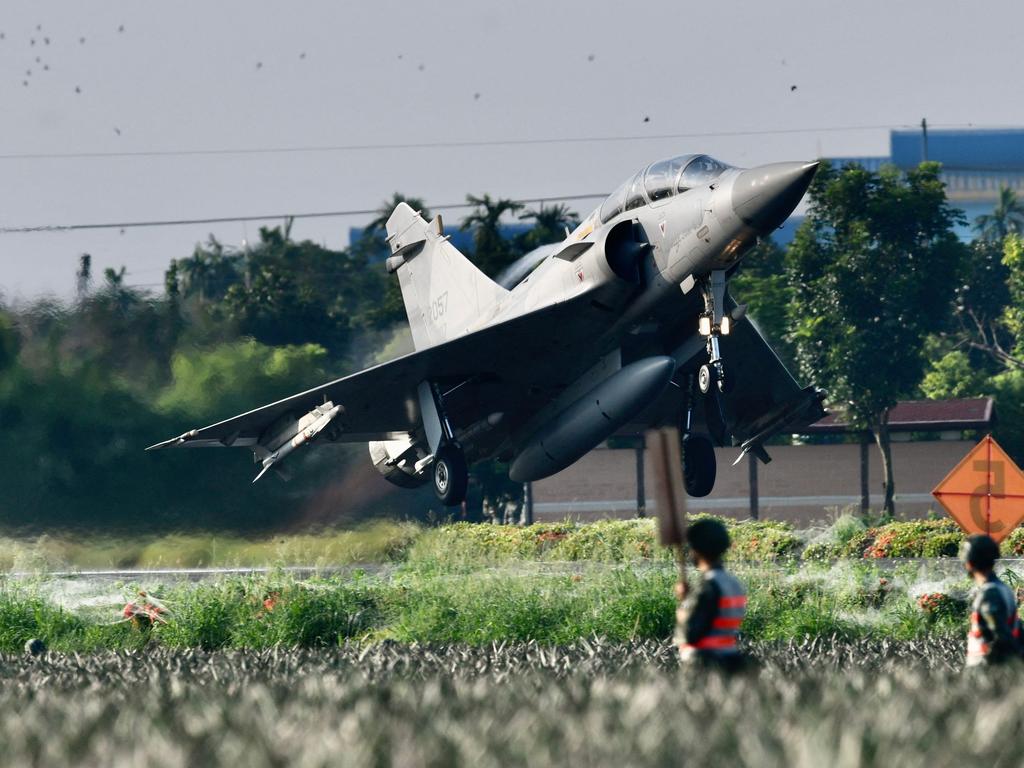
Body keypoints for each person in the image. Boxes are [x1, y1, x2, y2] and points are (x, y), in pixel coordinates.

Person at [674, 518, 749, 671]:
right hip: (730, 659)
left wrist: (684, 604)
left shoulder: (706, 585)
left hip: (705, 663)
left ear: (697, 550)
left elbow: (691, 632)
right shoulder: (733, 583)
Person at [962, 533, 1023, 668]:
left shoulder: (989, 593)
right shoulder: (1003, 589)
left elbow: (1000, 634)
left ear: (969, 563)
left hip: (986, 669)